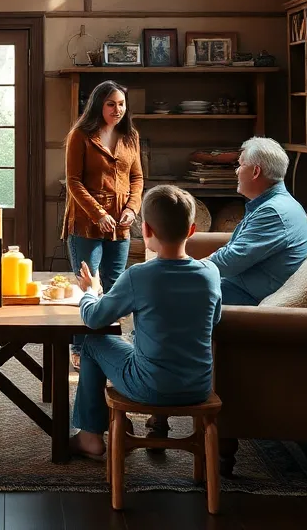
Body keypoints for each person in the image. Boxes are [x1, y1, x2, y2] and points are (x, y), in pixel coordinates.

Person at [70, 185, 222, 459]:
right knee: (148, 342)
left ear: (147, 230)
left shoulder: (139, 275)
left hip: (151, 387)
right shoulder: (210, 273)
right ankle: (155, 423)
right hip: (198, 386)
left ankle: (90, 436)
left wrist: (90, 291)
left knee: (93, 343)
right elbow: (214, 321)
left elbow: (94, 318)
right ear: (192, 230)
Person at [62, 80, 143, 367]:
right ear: (98, 104)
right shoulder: (80, 135)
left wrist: (133, 209)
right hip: (86, 222)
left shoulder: (130, 135)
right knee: (89, 285)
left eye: (121, 104)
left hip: (121, 223)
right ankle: (80, 348)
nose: (117, 109)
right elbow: (73, 181)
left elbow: (137, 178)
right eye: (111, 104)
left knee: (114, 285)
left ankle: (107, 344)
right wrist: (98, 213)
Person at [190, 136, 307, 306]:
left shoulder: (273, 212)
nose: (237, 171)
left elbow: (230, 261)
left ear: (256, 172)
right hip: (240, 286)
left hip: (246, 295)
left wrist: (187, 270)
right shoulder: (274, 203)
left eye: (241, 165)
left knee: (171, 288)